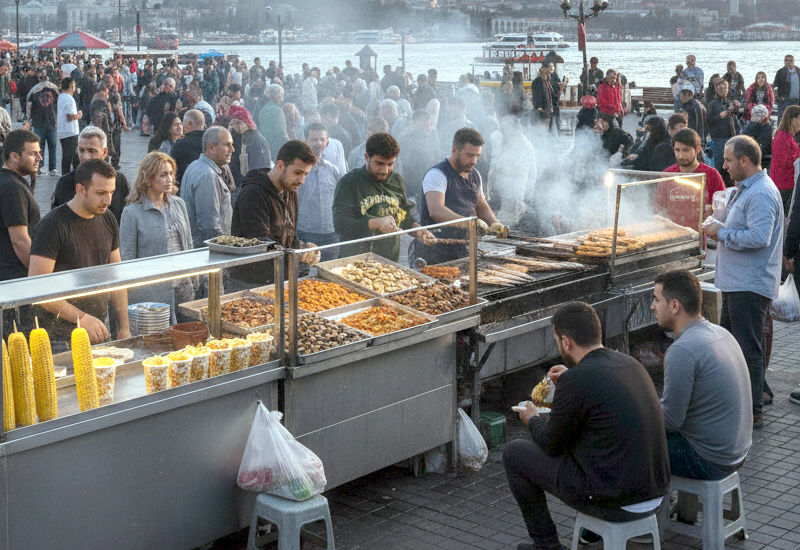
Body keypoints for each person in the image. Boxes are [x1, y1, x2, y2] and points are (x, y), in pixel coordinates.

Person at [504, 301, 670, 550]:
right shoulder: (631, 364)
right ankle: (587, 535)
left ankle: (546, 545)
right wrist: (570, 380)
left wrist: (532, 418)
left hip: (615, 499)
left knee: (515, 453)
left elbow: (551, 444)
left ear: (566, 342)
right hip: (654, 492)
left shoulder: (577, 381)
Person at [703, 135, 783, 429]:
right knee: (732, 343)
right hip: (737, 282)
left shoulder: (761, 193)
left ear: (744, 161)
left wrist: (721, 233)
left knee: (747, 347)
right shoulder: (744, 189)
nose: (723, 165)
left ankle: (753, 409)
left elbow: (759, 238)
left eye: (727, 160)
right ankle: (738, 400)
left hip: (750, 284)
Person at [651, 269, 752, 482]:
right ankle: (681, 513)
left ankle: (638, 512)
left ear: (674, 305)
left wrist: (636, 409)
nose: (652, 306)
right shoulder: (721, 333)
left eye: (656, 300)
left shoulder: (682, 350)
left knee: (629, 438)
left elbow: (670, 421)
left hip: (711, 459)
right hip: (739, 450)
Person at [29, 159, 131, 346]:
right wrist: (82, 318)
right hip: (59, 336)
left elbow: (117, 276)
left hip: (98, 327)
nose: (108, 201)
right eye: (100, 193)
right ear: (80, 190)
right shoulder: (52, 226)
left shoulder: (108, 219)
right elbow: (38, 289)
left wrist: (124, 326)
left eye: (111, 192)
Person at [332, 132, 435, 261]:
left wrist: (418, 230)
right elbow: (340, 224)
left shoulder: (398, 180)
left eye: (390, 164)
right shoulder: (349, 182)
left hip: (388, 259)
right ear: (366, 157)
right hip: (355, 259)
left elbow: (403, 216)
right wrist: (375, 223)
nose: (385, 170)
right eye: (379, 163)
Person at [230, 140, 320, 283]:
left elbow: (289, 236)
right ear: (280, 165)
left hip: (282, 277)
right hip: (251, 282)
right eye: (297, 173)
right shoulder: (253, 194)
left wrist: (304, 248)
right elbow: (261, 243)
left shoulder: (290, 190)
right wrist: (298, 252)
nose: (302, 180)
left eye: (306, 174)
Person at [120, 152, 193, 321]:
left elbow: (188, 243)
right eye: (163, 175)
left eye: (171, 173)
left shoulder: (179, 204)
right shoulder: (132, 212)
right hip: (151, 294)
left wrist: (192, 278)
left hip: (183, 287)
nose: (169, 179)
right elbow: (128, 257)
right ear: (149, 178)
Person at [416, 128, 505, 264]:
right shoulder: (437, 174)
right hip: (435, 250)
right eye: (469, 155)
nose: (474, 161)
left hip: (464, 248)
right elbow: (436, 210)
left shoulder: (475, 175)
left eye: (477, 156)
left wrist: (494, 223)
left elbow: (481, 205)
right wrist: (469, 223)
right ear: (454, 151)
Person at [51, 125, 130, 224]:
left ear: (104, 152)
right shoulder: (65, 183)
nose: (85, 157)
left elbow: (125, 219)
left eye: (92, 151)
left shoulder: (119, 181)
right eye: (81, 150)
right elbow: (56, 221)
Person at [179, 127, 235, 248]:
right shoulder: (207, 176)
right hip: (209, 252)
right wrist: (226, 249)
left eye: (232, 145)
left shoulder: (197, 166)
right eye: (227, 145)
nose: (232, 149)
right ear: (211, 148)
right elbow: (209, 225)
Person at [660, 128, 726, 228]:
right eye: (677, 150)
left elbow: (722, 209)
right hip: (672, 232)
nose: (681, 155)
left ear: (698, 149)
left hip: (700, 234)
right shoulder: (667, 174)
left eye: (686, 150)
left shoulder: (711, 174)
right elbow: (660, 207)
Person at [296, 122, 341, 262]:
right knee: (303, 277)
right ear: (305, 142)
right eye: (314, 139)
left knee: (329, 276)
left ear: (327, 142)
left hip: (331, 235)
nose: (318, 143)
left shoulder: (333, 170)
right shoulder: (298, 171)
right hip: (305, 234)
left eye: (322, 139)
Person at [0, 130, 40, 283]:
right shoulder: (13, 189)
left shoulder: (9, 181)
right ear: (14, 156)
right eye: (33, 154)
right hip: (15, 277)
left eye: (39, 153)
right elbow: (20, 240)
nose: (39, 158)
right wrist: (39, 276)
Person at [227, 104, 271, 192]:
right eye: (233, 123)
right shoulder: (238, 138)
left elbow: (260, 170)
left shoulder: (256, 140)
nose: (235, 126)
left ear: (246, 123)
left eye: (238, 123)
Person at [770, 105, 800, 213]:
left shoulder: (788, 137)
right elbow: (782, 163)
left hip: (788, 183)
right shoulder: (781, 138)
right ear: (792, 119)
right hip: (783, 185)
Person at [707, 79, 741, 174]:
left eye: (725, 88)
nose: (723, 90)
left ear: (728, 89)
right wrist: (720, 116)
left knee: (732, 165)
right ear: (716, 89)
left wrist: (737, 108)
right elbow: (709, 121)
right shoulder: (712, 104)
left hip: (731, 137)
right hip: (718, 138)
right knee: (720, 165)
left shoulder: (729, 102)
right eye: (720, 88)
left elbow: (737, 116)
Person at [27, 80, 58, 175]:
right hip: (50, 123)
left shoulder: (34, 93)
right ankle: (51, 169)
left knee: (40, 147)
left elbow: (29, 106)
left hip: (39, 123)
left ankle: (39, 167)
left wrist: (29, 119)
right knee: (51, 147)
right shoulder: (54, 92)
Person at [170, 109, 206, 187]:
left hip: (186, 186)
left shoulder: (180, 145)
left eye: (183, 123)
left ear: (189, 123)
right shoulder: (212, 141)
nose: (182, 126)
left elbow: (173, 169)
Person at [257, 84, 290, 159]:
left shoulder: (262, 110)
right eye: (280, 95)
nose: (281, 99)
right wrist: (291, 145)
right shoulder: (278, 111)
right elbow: (281, 133)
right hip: (276, 150)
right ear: (273, 95)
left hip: (265, 148)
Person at [57, 77, 81, 175]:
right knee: (69, 156)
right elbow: (70, 116)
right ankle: (67, 176)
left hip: (63, 131)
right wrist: (78, 115)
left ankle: (74, 174)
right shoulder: (69, 99)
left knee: (70, 156)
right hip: (70, 131)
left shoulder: (61, 96)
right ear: (71, 87)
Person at [742, 105, 772, 169]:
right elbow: (743, 136)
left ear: (763, 116)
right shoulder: (751, 124)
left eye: (758, 115)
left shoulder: (766, 126)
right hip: (749, 151)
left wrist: (751, 140)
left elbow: (762, 142)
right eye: (755, 115)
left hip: (761, 155)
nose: (756, 117)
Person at [773, 54, 800, 122]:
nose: (789, 62)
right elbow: (775, 84)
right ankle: (780, 132)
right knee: (782, 119)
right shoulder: (780, 72)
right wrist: (776, 97)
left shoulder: (798, 71)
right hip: (784, 100)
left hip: (797, 100)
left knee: (796, 120)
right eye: (786, 60)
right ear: (784, 62)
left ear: (793, 61)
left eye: (791, 60)